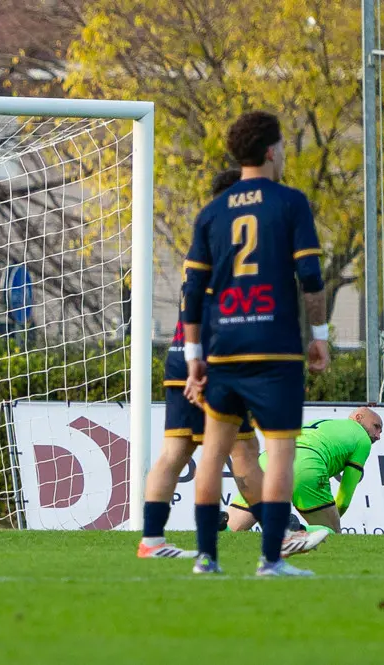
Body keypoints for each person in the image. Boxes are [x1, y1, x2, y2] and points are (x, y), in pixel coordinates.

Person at [138, 168, 321, 560]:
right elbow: (200, 303)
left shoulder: (211, 240)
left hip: (185, 354)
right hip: (206, 359)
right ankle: (284, 532)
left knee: (184, 449)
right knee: (239, 452)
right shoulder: (222, 244)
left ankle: (152, 540)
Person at [182, 111, 331, 576]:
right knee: (280, 450)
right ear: (270, 151)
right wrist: (320, 336)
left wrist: (193, 358)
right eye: (283, 146)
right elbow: (310, 275)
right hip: (275, 348)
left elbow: (191, 291)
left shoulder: (212, 212)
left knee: (215, 451)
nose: (284, 154)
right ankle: (271, 558)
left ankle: (207, 557)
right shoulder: (289, 203)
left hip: (223, 346)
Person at [225, 407, 383, 535]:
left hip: (267, 459)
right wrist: (332, 519)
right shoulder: (362, 439)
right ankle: (294, 530)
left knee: (231, 530)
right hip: (305, 462)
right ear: (359, 417)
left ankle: (219, 524)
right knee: (331, 534)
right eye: (376, 427)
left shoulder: (325, 423)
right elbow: (344, 496)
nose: (378, 435)